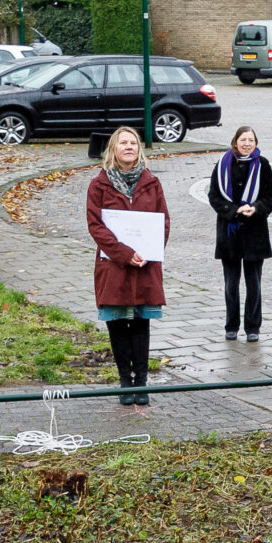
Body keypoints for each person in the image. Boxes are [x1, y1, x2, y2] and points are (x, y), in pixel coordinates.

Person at [87, 125, 167, 407]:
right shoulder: (99, 184)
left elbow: (162, 221)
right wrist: (124, 253)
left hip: (145, 265)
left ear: (139, 148)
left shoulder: (152, 182)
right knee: (119, 322)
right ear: (114, 149)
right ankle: (125, 381)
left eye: (133, 142)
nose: (129, 147)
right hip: (114, 266)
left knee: (141, 321)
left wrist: (147, 251)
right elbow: (95, 225)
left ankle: (142, 383)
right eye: (123, 143)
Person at [208, 125, 272, 342]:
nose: (247, 144)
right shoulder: (222, 165)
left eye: (251, 140)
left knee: (254, 284)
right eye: (243, 139)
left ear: (256, 143)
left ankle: (253, 327)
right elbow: (214, 197)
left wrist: (255, 207)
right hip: (229, 234)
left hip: (255, 234)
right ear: (235, 141)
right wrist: (233, 210)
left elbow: (270, 197)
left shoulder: (263, 165)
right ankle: (231, 325)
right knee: (231, 284)